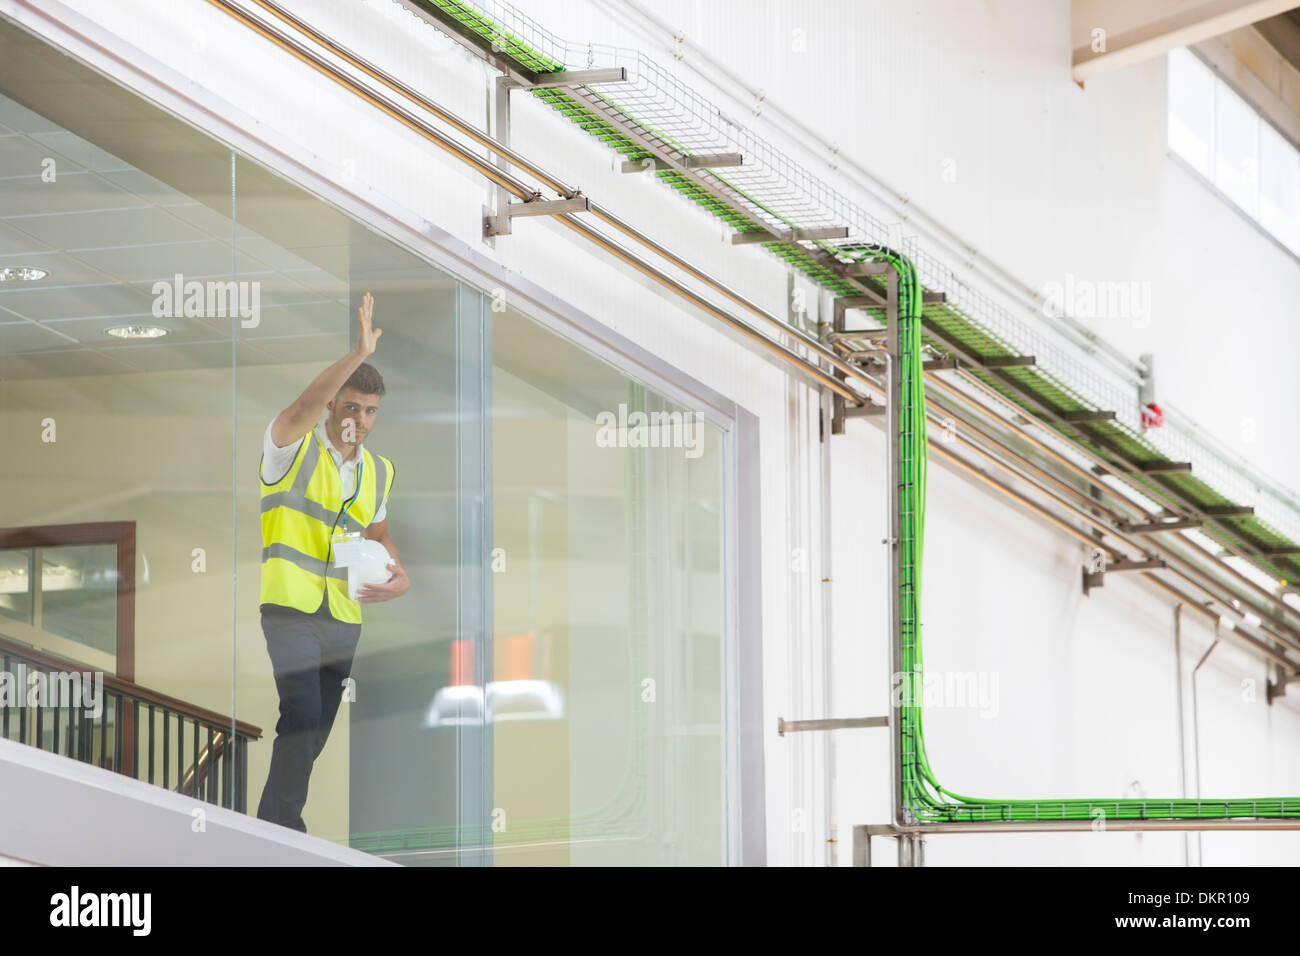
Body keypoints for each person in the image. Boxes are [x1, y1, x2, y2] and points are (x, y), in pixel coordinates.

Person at [255, 292, 409, 832]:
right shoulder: (290, 447)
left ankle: (273, 820)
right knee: (299, 715)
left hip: (344, 618)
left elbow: (380, 532)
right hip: (290, 607)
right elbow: (299, 407)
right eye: (350, 406)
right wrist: (357, 351)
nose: (360, 420)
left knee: (315, 730)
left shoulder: (379, 472)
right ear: (331, 407)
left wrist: (400, 573)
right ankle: (282, 826)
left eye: (369, 411)